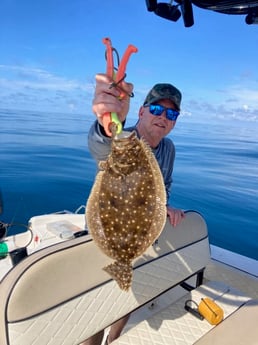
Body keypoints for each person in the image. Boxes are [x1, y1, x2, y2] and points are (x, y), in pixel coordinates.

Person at [81, 74, 185, 345]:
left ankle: (113, 340)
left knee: (126, 297)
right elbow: (101, 145)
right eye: (156, 109)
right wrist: (108, 121)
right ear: (141, 110)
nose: (163, 116)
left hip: (141, 235)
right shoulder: (122, 139)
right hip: (106, 230)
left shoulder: (169, 149)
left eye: (171, 113)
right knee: (95, 304)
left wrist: (167, 207)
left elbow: (165, 186)